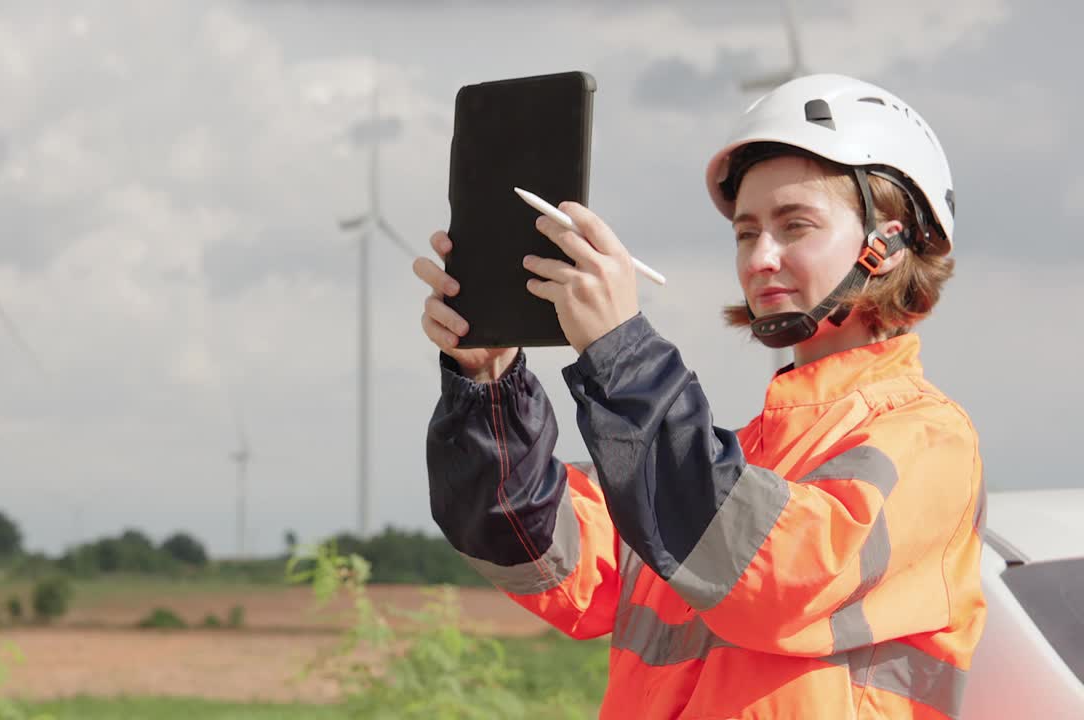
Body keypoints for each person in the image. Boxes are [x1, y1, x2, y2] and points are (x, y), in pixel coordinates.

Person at [413, 74, 985, 719]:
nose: (761, 257)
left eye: (795, 225)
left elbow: (774, 573)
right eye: (746, 232)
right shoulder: (725, 466)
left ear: (892, 242)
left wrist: (620, 352)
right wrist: (486, 382)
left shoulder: (928, 438)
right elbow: (536, 552)